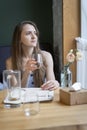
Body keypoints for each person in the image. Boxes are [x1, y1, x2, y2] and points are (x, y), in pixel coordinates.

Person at [6, 20, 60, 90]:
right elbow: (15, 91)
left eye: (35, 33)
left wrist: (54, 84)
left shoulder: (46, 56)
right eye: (28, 33)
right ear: (19, 39)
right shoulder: (10, 62)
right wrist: (27, 72)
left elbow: (51, 83)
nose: (34, 36)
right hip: (23, 99)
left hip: (41, 98)